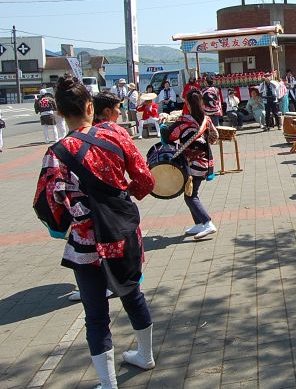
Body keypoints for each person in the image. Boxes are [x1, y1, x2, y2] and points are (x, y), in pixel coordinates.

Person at [33, 76, 156, 388]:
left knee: (96, 313)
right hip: (122, 232)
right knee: (133, 294)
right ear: (91, 107)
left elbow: (52, 205)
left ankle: (108, 382)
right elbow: (145, 181)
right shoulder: (116, 133)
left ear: (60, 114)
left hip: (86, 243)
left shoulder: (57, 153)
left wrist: (73, 216)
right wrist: (123, 192)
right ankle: (145, 355)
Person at [164, 89, 219, 239]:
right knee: (190, 193)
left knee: (190, 195)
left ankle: (207, 222)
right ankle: (198, 224)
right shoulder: (206, 119)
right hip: (205, 162)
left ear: (187, 103)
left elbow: (169, 136)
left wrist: (164, 127)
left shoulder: (184, 121)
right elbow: (215, 138)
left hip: (191, 164)